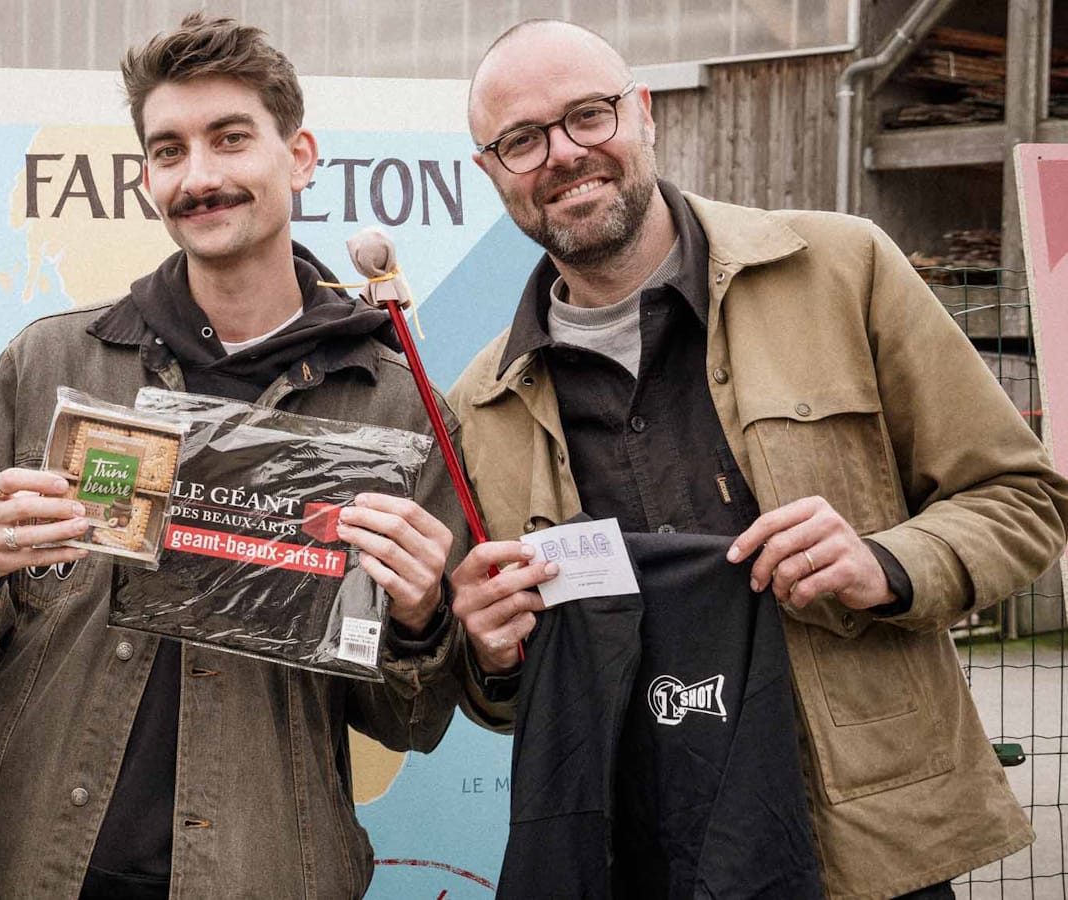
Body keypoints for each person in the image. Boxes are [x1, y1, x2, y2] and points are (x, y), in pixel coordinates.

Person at [447, 19, 1068, 900]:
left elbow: (1020, 496)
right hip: (633, 855)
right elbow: (504, 698)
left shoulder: (842, 270)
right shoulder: (482, 404)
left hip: (854, 851)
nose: (562, 153)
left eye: (589, 115)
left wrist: (884, 561)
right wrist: (488, 652)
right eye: (521, 140)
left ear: (644, 113)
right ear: (491, 171)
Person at [0, 14, 466, 900]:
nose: (199, 177)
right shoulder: (49, 363)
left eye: (230, 139)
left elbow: (410, 719)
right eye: (169, 150)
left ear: (300, 154)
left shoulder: (397, 412)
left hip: (264, 872)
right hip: (27, 866)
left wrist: (423, 615)